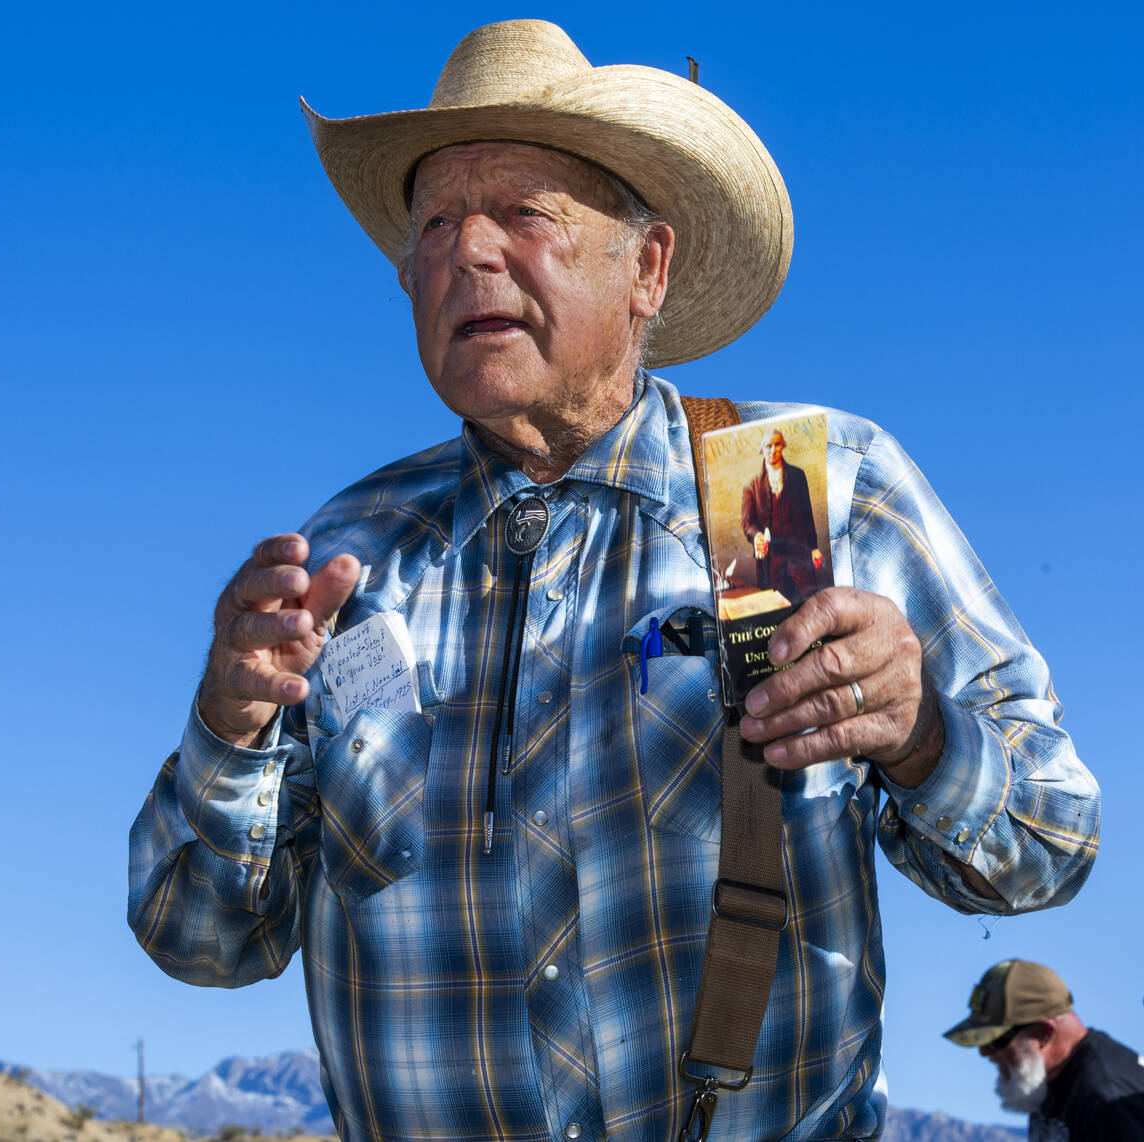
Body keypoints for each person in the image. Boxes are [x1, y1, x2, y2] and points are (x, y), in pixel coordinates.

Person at [127, 20, 1100, 1142]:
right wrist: (228, 732)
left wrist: (922, 733)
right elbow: (200, 938)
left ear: (647, 268)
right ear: (404, 280)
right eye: (435, 223)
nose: (468, 253)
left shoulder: (782, 495)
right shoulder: (348, 557)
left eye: (524, 214)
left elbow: (1050, 842)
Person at [945, 959, 1144, 1139]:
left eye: (996, 1041)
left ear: (1043, 1033)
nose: (984, 1052)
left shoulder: (1104, 1096)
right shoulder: (1046, 1083)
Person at [740, 429, 824, 603]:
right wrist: (757, 537)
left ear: (782, 446)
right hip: (771, 560)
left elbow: (806, 514)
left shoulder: (798, 476)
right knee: (774, 610)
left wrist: (814, 547)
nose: (773, 450)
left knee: (811, 605)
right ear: (762, 449)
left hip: (799, 553)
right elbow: (748, 523)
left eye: (777, 444)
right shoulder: (751, 483)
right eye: (768, 446)